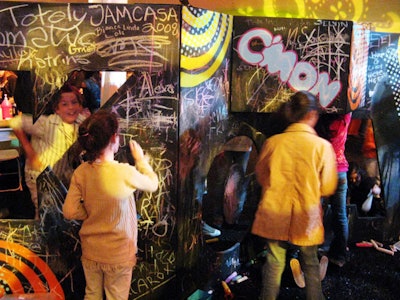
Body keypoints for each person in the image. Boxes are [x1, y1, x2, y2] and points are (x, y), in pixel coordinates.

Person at [63, 110, 158, 300]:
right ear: (115, 138)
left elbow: (69, 211)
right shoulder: (124, 172)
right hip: (118, 254)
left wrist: (90, 213)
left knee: (92, 294)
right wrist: (140, 160)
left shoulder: (81, 172)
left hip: (91, 251)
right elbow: (153, 184)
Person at [251, 91, 338, 300]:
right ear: (313, 116)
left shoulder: (273, 143)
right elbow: (327, 187)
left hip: (273, 212)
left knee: (274, 263)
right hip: (306, 215)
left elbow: (261, 177)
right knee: (310, 262)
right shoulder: (322, 147)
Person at [1, 84, 87, 219]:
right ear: (57, 109)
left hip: (60, 175)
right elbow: (16, 122)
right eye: (64, 104)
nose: (70, 107)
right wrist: (29, 151)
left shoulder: (80, 123)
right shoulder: (47, 123)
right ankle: (39, 237)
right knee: (44, 212)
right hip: (39, 174)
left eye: (74, 102)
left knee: (59, 211)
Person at [316, 113, 352, 267]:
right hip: (340, 170)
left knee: (317, 212)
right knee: (340, 214)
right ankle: (340, 255)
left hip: (321, 171)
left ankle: (317, 249)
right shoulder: (345, 117)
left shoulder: (319, 119)